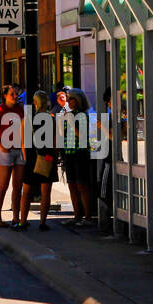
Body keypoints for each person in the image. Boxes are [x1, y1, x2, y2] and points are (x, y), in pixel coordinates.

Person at [19, 89, 58, 230]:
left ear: (35, 102)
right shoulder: (51, 118)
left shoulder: (26, 120)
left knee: (27, 192)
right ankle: (42, 223)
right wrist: (54, 156)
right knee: (45, 191)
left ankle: (23, 221)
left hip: (30, 158)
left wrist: (26, 158)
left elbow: (23, 143)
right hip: (46, 157)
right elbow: (55, 142)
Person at [0, 85, 25, 227]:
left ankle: (16, 218)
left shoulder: (20, 109)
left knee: (18, 186)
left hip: (19, 150)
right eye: (12, 94)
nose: (15, 96)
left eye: (16, 94)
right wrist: (1, 145)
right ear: (5, 96)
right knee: (3, 185)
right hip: (5, 151)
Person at [59, 88, 94, 226]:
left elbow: (83, 136)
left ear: (78, 100)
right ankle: (77, 216)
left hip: (80, 152)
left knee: (82, 185)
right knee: (72, 185)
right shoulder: (69, 115)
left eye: (71, 98)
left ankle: (88, 217)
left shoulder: (83, 116)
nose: (68, 101)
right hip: (69, 153)